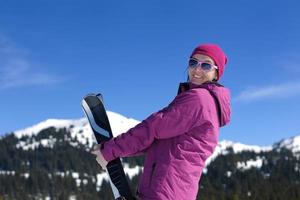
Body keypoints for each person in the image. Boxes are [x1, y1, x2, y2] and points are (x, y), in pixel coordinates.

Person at [91, 43, 231, 200]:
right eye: (193, 62)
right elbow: (157, 140)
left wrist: (110, 150)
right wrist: (116, 151)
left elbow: (152, 128)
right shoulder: (205, 103)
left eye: (206, 65)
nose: (197, 69)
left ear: (216, 74)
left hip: (164, 191)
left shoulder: (199, 100)